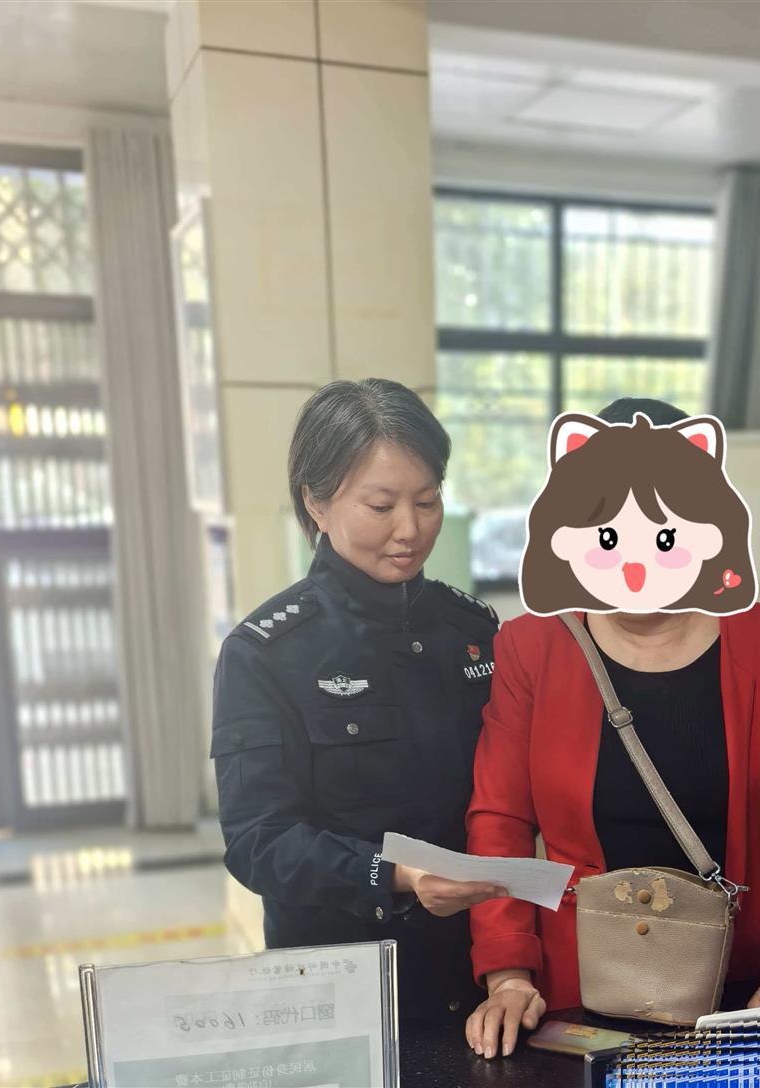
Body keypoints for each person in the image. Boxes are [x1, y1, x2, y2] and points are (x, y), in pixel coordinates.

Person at [464, 398, 760, 1058]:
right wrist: (509, 975)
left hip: (743, 987)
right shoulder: (532, 647)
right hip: (576, 990)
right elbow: (500, 820)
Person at [211, 378, 506, 1023]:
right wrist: (394, 874)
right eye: (381, 506)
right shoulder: (266, 653)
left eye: (427, 501)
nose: (410, 529)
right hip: (337, 983)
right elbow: (258, 841)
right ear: (315, 503)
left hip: (475, 976)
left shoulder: (473, 631)